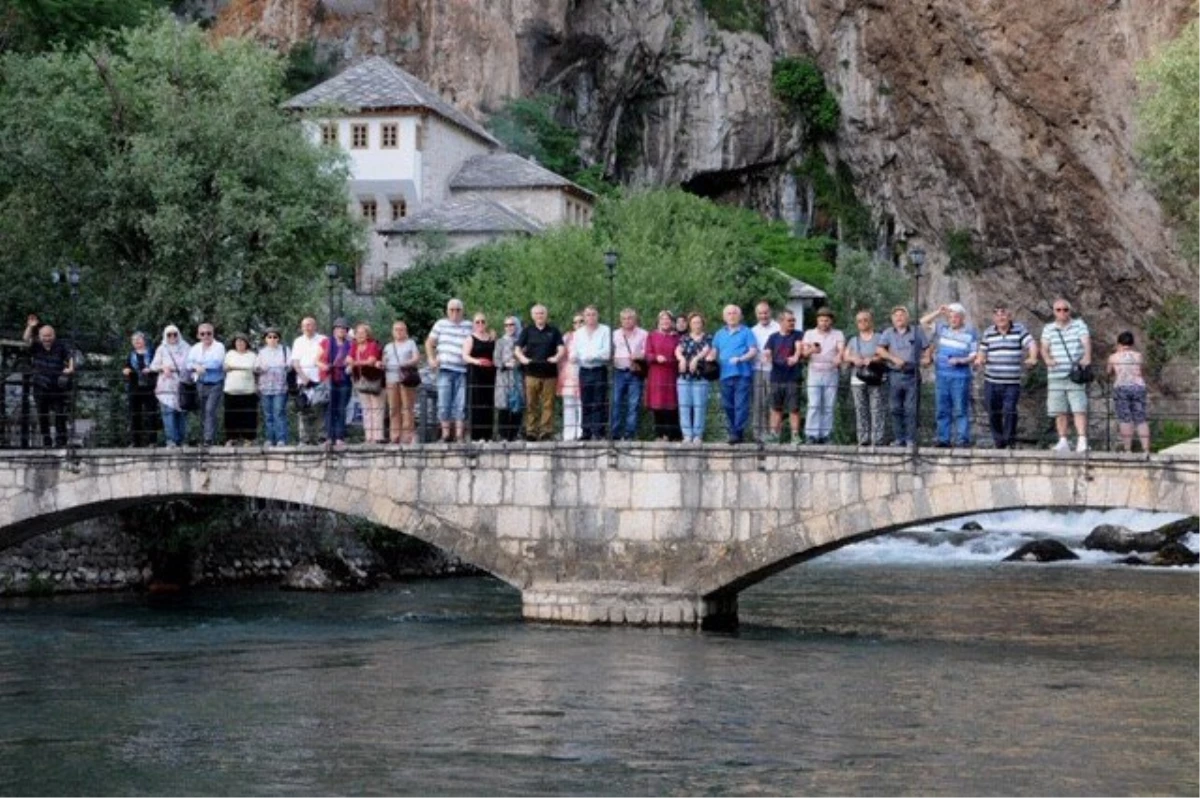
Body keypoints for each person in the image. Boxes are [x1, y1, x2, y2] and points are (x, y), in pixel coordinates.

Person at [976, 304, 1038, 449]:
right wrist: (980, 359)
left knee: (1010, 409)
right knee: (993, 411)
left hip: (1011, 382)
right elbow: (982, 350)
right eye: (997, 314)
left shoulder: (1019, 330)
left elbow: (1031, 344)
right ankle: (999, 442)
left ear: (1010, 316)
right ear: (993, 318)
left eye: (1003, 314)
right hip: (991, 381)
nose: (1000, 317)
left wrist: (1033, 357)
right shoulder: (988, 332)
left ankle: (1009, 440)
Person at [921, 303, 978, 448]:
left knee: (960, 409)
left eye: (957, 316)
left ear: (962, 318)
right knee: (942, 409)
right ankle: (943, 439)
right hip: (942, 375)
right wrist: (939, 311)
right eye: (951, 316)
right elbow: (923, 321)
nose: (953, 319)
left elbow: (974, 354)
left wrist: (961, 360)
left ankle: (962, 440)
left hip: (960, 376)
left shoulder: (970, 332)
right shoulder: (941, 328)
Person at [1041, 298, 1092, 452]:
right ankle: (1063, 440)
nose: (1062, 312)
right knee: (1059, 410)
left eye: (1065, 309)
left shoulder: (1079, 325)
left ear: (1070, 311)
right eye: (1058, 310)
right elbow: (1043, 347)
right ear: (1054, 312)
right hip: (1055, 373)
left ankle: (1082, 440)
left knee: (1079, 407)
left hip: (1074, 373)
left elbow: (1086, 342)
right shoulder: (1048, 328)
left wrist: (1087, 357)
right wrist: (1047, 359)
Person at [877, 306, 929, 447]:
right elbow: (880, 349)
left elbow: (927, 348)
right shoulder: (888, 333)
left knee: (911, 409)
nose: (899, 318)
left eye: (902, 315)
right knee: (895, 408)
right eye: (896, 316)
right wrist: (893, 359)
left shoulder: (917, 332)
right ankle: (899, 438)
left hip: (912, 375)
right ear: (892, 319)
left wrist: (927, 359)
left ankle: (911, 439)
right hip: (894, 375)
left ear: (907, 318)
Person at [515, 304, 565, 441]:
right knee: (531, 404)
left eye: (542, 313)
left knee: (548, 404)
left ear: (546, 315)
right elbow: (517, 348)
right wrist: (522, 358)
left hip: (549, 374)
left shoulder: (554, 331)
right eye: (537, 313)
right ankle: (531, 431)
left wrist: (556, 357)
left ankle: (546, 432)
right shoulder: (527, 331)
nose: (539, 315)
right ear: (532, 316)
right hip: (531, 373)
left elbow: (561, 348)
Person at [425, 298, 472, 443]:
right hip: (445, 368)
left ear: (462, 311)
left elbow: (480, 338)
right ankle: (445, 434)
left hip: (462, 370)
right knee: (444, 403)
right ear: (447, 311)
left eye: (458, 310)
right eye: (452, 310)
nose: (455, 313)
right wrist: (431, 359)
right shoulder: (441, 324)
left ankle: (459, 435)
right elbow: (429, 342)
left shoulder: (469, 325)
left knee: (461, 403)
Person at [712, 305, 757, 444]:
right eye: (729, 314)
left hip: (742, 373)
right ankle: (734, 431)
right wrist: (709, 358)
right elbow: (714, 351)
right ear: (724, 317)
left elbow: (753, 351)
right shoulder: (719, 334)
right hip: (725, 374)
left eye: (734, 313)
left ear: (739, 316)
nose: (732, 316)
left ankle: (737, 432)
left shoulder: (747, 332)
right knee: (727, 405)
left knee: (741, 405)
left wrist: (741, 358)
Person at [841, 310, 887, 447]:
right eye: (859, 321)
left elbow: (885, 354)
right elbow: (845, 356)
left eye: (865, 320)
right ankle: (863, 438)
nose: (862, 323)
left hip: (876, 377)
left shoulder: (880, 337)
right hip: (858, 378)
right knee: (860, 408)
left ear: (871, 321)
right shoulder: (853, 340)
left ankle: (877, 439)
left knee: (877, 408)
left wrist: (872, 359)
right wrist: (854, 359)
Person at [801, 307, 846, 444]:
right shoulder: (809, 334)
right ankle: (811, 434)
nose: (824, 323)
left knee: (828, 405)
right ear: (817, 320)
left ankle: (825, 435)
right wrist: (811, 350)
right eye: (821, 320)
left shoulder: (838, 334)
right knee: (814, 404)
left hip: (831, 372)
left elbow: (841, 349)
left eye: (826, 320)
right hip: (814, 372)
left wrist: (839, 356)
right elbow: (803, 354)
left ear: (831, 321)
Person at [28, 324, 75, 448]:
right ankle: (46, 441)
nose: (47, 338)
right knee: (42, 415)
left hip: (56, 386)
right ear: (40, 336)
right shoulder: (36, 346)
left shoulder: (60, 346)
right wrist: (30, 327)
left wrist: (70, 368)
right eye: (44, 336)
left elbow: (70, 356)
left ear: (53, 336)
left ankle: (61, 441)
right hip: (40, 384)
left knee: (60, 413)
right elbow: (26, 339)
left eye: (49, 335)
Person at [571, 305, 611, 441]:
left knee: (600, 401)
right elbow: (574, 352)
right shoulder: (578, 333)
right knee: (585, 401)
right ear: (584, 317)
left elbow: (607, 353)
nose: (591, 317)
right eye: (588, 315)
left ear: (597, 315)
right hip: (584, 370)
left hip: (599, 369)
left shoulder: (605, 330)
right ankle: (586, 432)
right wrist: (575, 356)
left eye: (593, 314)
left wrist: (592, 356)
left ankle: (599, 432)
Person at [764, 310, 804, 443]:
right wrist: (767, 356)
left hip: (793, 377)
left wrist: (796, 357)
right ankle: (774, 434)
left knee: (794, 408)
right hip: (776, 377)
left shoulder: (798, 334)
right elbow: (767, 351)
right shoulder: (773, 337)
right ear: (781, 322)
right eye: (789, 320)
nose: (792, 323)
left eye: (793, 320)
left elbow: (798, 348)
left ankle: (795, 435)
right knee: (775, 408)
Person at [1108, 331, 1151, 452]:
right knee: (1141, 419)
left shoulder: (1113, 357)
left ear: (1119, 343)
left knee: (1125, 419)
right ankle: (1146, 449)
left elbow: (1108, 372)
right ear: (1132, 343)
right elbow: (1141, 371)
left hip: (1121, 387)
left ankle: (1127, 450)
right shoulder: (1138, 355)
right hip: (1138, 387)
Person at [675, 312, 715, 443]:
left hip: (700, 377)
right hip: (684, 376)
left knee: (699, 406)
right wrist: (681, 359)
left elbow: (706, 350)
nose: (696, 325)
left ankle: (698, 434)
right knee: (684, 406)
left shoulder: (708, 337)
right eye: (693, 323)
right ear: (690, 325)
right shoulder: (685, 337)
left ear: (703, 324)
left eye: (699, 322)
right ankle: (687, 434)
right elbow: (678, 350)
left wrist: (695, 359)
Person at [150, 324, 191, 447]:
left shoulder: (186, 347)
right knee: (168, 412)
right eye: (169, 334)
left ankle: (183, 440)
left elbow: (192, 363)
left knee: (183, 412)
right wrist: (163, 367)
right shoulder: (162, 348)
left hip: (182, 383)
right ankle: (171, 440)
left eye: (174, 334)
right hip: (166, 385)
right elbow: (153, 366)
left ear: (178, 334)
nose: (172, 336)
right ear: (165, 335)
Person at [611, 308, 647, 440]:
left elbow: (647, 351)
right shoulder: (615, 334)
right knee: (616, 403)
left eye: (630, 318)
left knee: (634, 404)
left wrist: (639, 355)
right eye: (624, 318)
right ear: (620, 320)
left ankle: (629, 434)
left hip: (635, 372)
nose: (627, 321)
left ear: (635, 319)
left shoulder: (643, 334)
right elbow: (611, 350)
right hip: (619, 371)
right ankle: (614, 433)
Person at [290, 317, 327, 445]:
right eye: (304, 325)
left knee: (320, 410)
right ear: (301, 327)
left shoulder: (323, 339)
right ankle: (304, 440)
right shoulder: (298, 341)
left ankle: (321, 438)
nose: (307, 327)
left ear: (315, 326)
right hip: (303, 381)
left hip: (320, 380)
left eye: (310, 325)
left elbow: (326, 359)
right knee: (303, 410)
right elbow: (295, 362)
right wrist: (304, 377)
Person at [187, 323, 225, 446]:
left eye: (209, 333)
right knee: (203, 411)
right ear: (198, 335)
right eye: (203, 333)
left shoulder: (219, 346)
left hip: (215, 383)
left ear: (213, 334)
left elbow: (217, 362)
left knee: (210, 410)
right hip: (200, 383)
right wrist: (196, 366)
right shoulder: (195, 348)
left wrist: (201, 365)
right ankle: (205, 437)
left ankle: (209, 438)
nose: (206, 336)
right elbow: (188, 364)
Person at [645, 310, 681, 440]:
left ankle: (671, 434)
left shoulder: (677, 337)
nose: (665, 322)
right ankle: (660, 434)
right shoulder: (652, 336)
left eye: (668, 319)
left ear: (672, 322)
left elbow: (680, 355)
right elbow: (647, 355)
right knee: (657, 404)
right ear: (658, 321)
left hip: (671, 373)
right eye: (662, 319)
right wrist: (655, 357)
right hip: (656, 374)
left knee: (671, 405)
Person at [348, 323, 386, 444]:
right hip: (361, 381)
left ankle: (378, 437)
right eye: (357, 333)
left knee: (377, 408)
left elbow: (371, 361)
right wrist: (359, 362)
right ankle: (368, 437)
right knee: (366, 409)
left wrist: (355, 362)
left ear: (367, 334)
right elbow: (348, 359)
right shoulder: (354, 346)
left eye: (362, 333)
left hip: (375, 380)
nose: (359, 335)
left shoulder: (373, 345)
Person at [383, 321, 420, 445]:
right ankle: (395, 435)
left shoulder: (410, 343)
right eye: (396, 329)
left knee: (407, 407)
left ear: (406, 331)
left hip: (406, 378)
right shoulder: (388, 346)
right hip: (391, 378)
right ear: (392, 332)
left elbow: (416, 358)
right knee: (393, 408)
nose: (399, 332)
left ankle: (408, 435)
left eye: (401, 329)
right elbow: (384, 360)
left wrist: (406, 363)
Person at [750, 301, 781, 441]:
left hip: (775, 370)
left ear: (770, 312)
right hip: (757, 369)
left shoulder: (778, 328)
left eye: (765, 312)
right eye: (760, 313)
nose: (763, 316)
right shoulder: (752, 330)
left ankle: (774, 434)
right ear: (756, 315)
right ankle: (758, 435)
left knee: (774, 403)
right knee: (758, 403)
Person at [464, 313, 498, 442]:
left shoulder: (492, 338)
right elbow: (465, 356)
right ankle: (476, 436)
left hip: (490, 374)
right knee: (476, 403)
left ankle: (488, 435)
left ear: (486, 323)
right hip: (476, 373)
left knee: (489, 403)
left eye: (483, 322)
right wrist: (477, 361)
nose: (480, 324)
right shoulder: (470, 338)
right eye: (477, 322)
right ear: (473, 324)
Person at [255, 327, 291, 446]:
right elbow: (256, 368)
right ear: (265, 339)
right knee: (268, 415)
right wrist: (261, 368)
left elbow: (290, 366)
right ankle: (270, 439)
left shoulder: (285, 350)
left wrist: (285, 366)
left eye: (275, 337)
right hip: (265, 387)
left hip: (280, 387)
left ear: (278, 338)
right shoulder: (262, 352)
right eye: (269, 337)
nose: (272, 339)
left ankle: (281, 439)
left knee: (279, 413)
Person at [321, 318, 353, 449]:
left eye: (344, 328)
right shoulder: (327, 342)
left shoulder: (351, 344)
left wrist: (351, 366)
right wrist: (324, 366)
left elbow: (354, 359)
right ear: (334, 329)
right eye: (339, 328)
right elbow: (317, 360)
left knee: (341, 409)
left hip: (345, 379)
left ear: (346, 331)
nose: (341, 330)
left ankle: (339, 437)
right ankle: (329, 437)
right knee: (330, 409)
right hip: (330, 379)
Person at [122, 331, 158, 447]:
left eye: (139, 339)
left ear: (144, 340)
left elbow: (157, 365)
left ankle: (152, 441)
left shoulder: (152, 352)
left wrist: (151, 369)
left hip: (149, 387)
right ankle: (135, 441)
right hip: (134, 387)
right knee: (134, 415)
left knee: (151, 414)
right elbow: (126, 367)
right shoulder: (130, 355)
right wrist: (125, 370)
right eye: (134, 340)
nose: (137, 341)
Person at [222, 333, 258, 445]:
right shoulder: (230, 354)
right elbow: (225, 368)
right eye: (237, 342)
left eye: (242, 341)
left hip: (248, 391)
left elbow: (256, 369)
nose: (240, 344)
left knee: (249, 416)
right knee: (231, 416)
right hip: (231, 391)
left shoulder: (252, 355)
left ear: (246, 343)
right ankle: (231, 439)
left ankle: (249, 439)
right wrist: (242, 368)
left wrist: (235, 367)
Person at [494, 316, 525, 442]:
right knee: (503, 406)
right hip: (503, 377)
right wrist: (505, 364)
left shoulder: (522, 341)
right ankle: (503, 435)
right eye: (506, 325)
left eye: (512, 324)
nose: (509, 327)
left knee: (517, 406)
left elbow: (525, 358)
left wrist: (517, 363)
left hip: (517, 377)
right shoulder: (500, 342)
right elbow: (495, 359)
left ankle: (515, 434)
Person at [557, 314, 583, 442]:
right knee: (568, 404)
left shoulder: (588, 336)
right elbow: (560, 355)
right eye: (575, 322)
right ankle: (568, 433)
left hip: (583, 371)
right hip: (568, 374)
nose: (578, 324)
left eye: (581, 321)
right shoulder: (567, 337)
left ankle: (580, 432)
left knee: (582, 404)